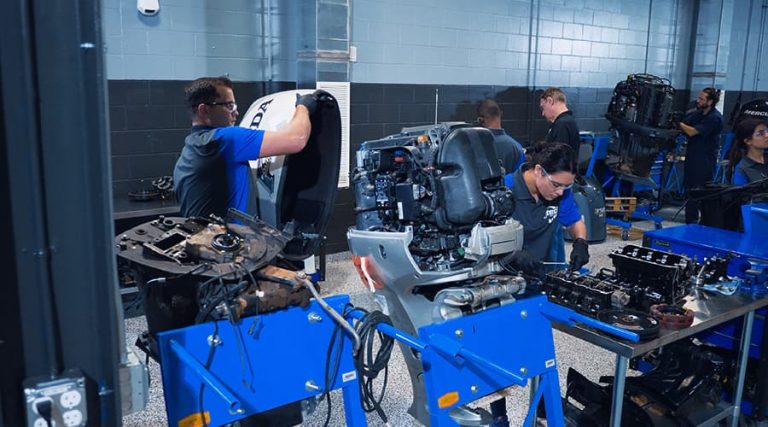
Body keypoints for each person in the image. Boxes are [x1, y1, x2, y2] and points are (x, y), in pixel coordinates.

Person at [173, 76, 321, 218]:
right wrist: (303, 107)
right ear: (204, 110)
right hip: (232, 240)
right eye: (228, 105)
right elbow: (296, 139)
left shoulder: (193, 145)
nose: (235, 112)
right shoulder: (226, 139)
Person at [503, 142, 589, 273]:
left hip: (543, 270)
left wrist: (580, 242)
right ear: (539, 171)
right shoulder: (505, 190)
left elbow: (573, 221)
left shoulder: (561, 191)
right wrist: (511, 255)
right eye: (556, 185)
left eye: (567, 186)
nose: (561, 192)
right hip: (506, 278)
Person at [679, 87, 724, 223]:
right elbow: (688, 121)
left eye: (701, 99)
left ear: (710, 102)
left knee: (698, 192)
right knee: (690, 191)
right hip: (693, 158)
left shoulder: (714, 118)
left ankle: (699, 223)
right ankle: (689, 223)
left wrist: (678, 124)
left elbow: (692, 131)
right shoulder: (700, 113)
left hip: (704, 161)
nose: (698, 101)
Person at [476, 99, 525, 176]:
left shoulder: (474, 146)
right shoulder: (517, 148)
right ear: (500, 114)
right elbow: (521, 178)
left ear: (480, 120)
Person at [540, 87, 580, 154]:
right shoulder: (568, 122)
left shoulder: (562, 124)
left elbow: (559, 157)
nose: (543, 113)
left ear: (550, 101)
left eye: (543, 107)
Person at [728, 118, 768, 184]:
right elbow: (742, 193)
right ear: (748, 141)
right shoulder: (742, 170)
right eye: (760, 134)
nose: (767, 135)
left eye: (767, 131)